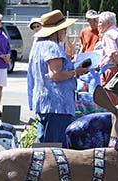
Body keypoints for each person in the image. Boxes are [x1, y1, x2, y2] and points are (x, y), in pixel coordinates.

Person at [27, 10, 88, 148]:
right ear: (56, 30)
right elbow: (56, 75)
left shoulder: (38, 44)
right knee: (53, 150)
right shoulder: (52, 46)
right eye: (63, 29)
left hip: (46, 103)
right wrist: (75, 71)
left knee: (44, 147)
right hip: (57, 105)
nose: (65, 32)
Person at [98, 11, 118, 104]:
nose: (98, 25)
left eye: (100, 22)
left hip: (112, 69)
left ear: (107, 23)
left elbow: (114, 53)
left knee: (109, 100)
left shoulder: (108, 34)